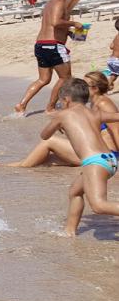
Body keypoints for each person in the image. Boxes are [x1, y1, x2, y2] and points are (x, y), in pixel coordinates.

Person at [0, 72, 119, 168]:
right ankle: (3, 167)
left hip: (106, 155)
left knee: (49, 142)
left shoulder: (104, 104)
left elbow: (116, 131)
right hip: (99, 153)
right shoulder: (94, 104)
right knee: (46, 160)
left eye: (85, 86)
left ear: (95, 89)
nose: (81, 88)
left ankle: (6, 167)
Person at [37, 79, 119, 236]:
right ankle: (69, 232)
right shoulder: (95, 113)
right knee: (75, 191)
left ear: (66, 100)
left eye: (61, 102)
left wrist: (58, 123)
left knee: (98, 206)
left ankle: (70, 231)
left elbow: (44, 135)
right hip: (109, 159)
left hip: (94, 162)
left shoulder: (64, 114)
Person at [15, 0, 82, 116]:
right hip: (53, 45)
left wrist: (68, 32)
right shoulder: (59, 3)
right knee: (65, 78)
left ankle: (21, 105)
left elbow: (51, 25)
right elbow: (56, 22)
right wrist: (74, 24)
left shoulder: (50, 3)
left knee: (43, 79)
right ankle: (50, 107)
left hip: (41, 44)